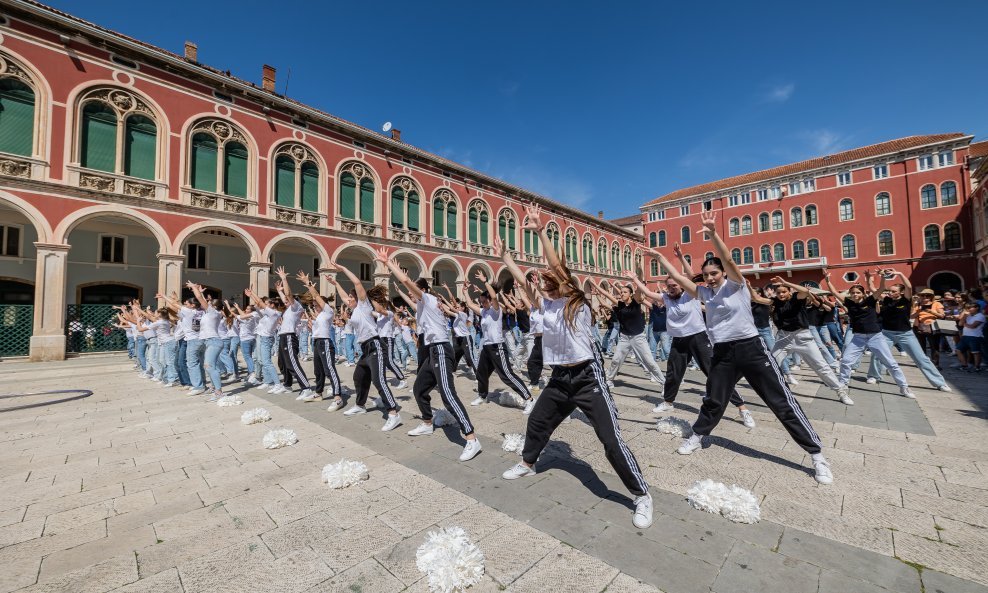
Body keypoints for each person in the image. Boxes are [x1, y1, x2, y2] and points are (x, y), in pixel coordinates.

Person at [500, 204, 653, 529]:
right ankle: (528, 463)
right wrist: (507, 260)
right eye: (544, 283)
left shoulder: (576, 303)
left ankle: (641, 495)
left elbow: (558, 267)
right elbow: (523, 283)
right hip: (560, 378)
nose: (544, 285)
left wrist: (541, 231)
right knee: (539, 421)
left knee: (610, 439)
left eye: (550, 282)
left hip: (587, 377)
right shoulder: (547, 306)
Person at [674, 211, 833, 484]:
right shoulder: (706, 293)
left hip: (751, 348)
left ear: (723, 273)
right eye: (707, 274)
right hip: (723, 352)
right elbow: (684, 280)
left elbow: (729, 259)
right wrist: (668, 261)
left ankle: (816, 454)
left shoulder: (737, 286)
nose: (710, 277)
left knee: (780, 401)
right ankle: (698, 436)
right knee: (714, 399)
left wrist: (712, 234)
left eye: (714, 273)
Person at [376, 248, 481, 461]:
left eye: (416, 289)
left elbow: (407, 282)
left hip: (442, 349)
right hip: (433, 351)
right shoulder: (423, 306)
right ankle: (426, 422)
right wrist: (400, 287)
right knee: (419, 388)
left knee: (447, 394)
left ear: (423, 289)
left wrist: (389, 264)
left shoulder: (431, 301)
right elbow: (409, 294)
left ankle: (471, 438)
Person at [627, 261, 757, 427]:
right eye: (669, 286)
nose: (671, 288)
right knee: (673, 373)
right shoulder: (666, 298)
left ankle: (743, 409)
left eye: (674, 285)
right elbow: (646, 292)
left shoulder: (692, 294)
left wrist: (681, 258)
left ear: (682, 286)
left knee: (715, 374)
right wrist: (635, 279)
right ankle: (667, 402)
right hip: (679, 340)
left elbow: (690, 276)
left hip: (698, 338)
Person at [749, 277, 853, 405]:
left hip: (802, 337)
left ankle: (840, 391)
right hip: (783, 338)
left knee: (821, 366)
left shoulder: (796, 299)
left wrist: (785, 282)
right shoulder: (774, 302)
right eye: (779, 292)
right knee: (771, 364)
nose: (781, 294)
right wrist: (748, 286)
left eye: (784, 292)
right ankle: (771, 392)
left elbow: (804, 290)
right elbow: (757, 298)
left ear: (789, 292)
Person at [327, 260, 402, 431]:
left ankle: (393, 413)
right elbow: (344, 296)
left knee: (378, 380)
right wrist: (336, 283)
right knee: (359, 376)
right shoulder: (354, 310)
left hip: (375, 345)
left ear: (359, 298)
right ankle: (360, 406)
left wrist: (343, 268)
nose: (348, 300)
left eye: (351, 297)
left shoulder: (364, 305)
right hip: (365, 349)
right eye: (349, 298)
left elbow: (357, 283)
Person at [824, 270, 914, 398]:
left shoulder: (871, 301)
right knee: (845, 361)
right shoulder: (849, 303)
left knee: (891, 363)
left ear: (863, 293)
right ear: (850, 294)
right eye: (853, 293)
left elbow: (882, 288)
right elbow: (833, 292)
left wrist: (882, 276)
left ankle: (904, 388)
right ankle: (843, 383)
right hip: (858, 338)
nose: (855, 294)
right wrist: (827, 280)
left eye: (858, 292)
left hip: (875, 336)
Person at [462, 269, 536, 414]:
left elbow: (494, 297)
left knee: (507, 375)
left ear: (489, 300)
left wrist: (484, 281)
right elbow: (470, 305)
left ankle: (529, 399)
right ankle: (482, 396)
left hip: (497, 347)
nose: (482, 303)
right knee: (481, 373)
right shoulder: (483, 312)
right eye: (481, 302)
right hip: (487, 347)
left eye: (484, 301)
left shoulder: (496, 310)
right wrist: (465, 291)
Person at [867, 275, 950, 391]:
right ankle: (873, 376)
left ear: (901, 293)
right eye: (889, 291)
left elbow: (909, 286)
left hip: (905, 334)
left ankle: (939, 383)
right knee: (877, 354)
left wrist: (899, 273)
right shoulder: (886, 299)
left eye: (893, 291)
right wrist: (875, 277)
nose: (890, 293)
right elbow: (872, 288)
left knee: (921, 358)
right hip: (887, 333)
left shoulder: (906, 300)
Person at [595, 276, 666, 388]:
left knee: (649, 361)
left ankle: (664, 383)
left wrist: (637, 277)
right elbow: (607, 296)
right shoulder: (620, 305)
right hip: (624, 337)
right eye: (621, 292)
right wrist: (595, 286)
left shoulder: (636, 302)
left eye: (624, 292)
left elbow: (639, 290)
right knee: (616, 360)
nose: (621, 294)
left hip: (638, 337)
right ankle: (609, 380)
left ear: (630, 294)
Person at [295, 272, 344, 408]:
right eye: (314, 304)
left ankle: (337, 396)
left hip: (325, 343)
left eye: (316, 304)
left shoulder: (328, 311)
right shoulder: (319, 316)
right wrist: (311, 328)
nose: (314, 305)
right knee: (318, 370)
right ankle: (319, 392)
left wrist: (308, 283)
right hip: (316, 342)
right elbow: (315, 330)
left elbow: (316, 295)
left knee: (329, 369)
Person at [271, 267, 315, 399]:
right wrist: (279, 291)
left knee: (292, 363)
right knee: (282, 363)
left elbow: (288, 295)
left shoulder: (296, 307)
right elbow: (286, 297)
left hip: (290, 337)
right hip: (283, 336)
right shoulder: (289, 308)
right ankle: (287, 385)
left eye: (287, 300)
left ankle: (306, 388)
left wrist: (284, 279)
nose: (285, 300)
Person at [954, 302, 985, 371]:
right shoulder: (968, 315)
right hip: (965, 336)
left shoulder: (980, 316)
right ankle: (964, 365)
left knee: (975, 352)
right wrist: (964, 316)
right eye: (967, 308)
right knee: (958, 350)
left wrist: (964, 324)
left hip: (975, 336)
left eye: (970, 308)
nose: (968, 310)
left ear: (977, 308)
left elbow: (973, 326)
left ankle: (977, 367)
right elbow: (960, 324)